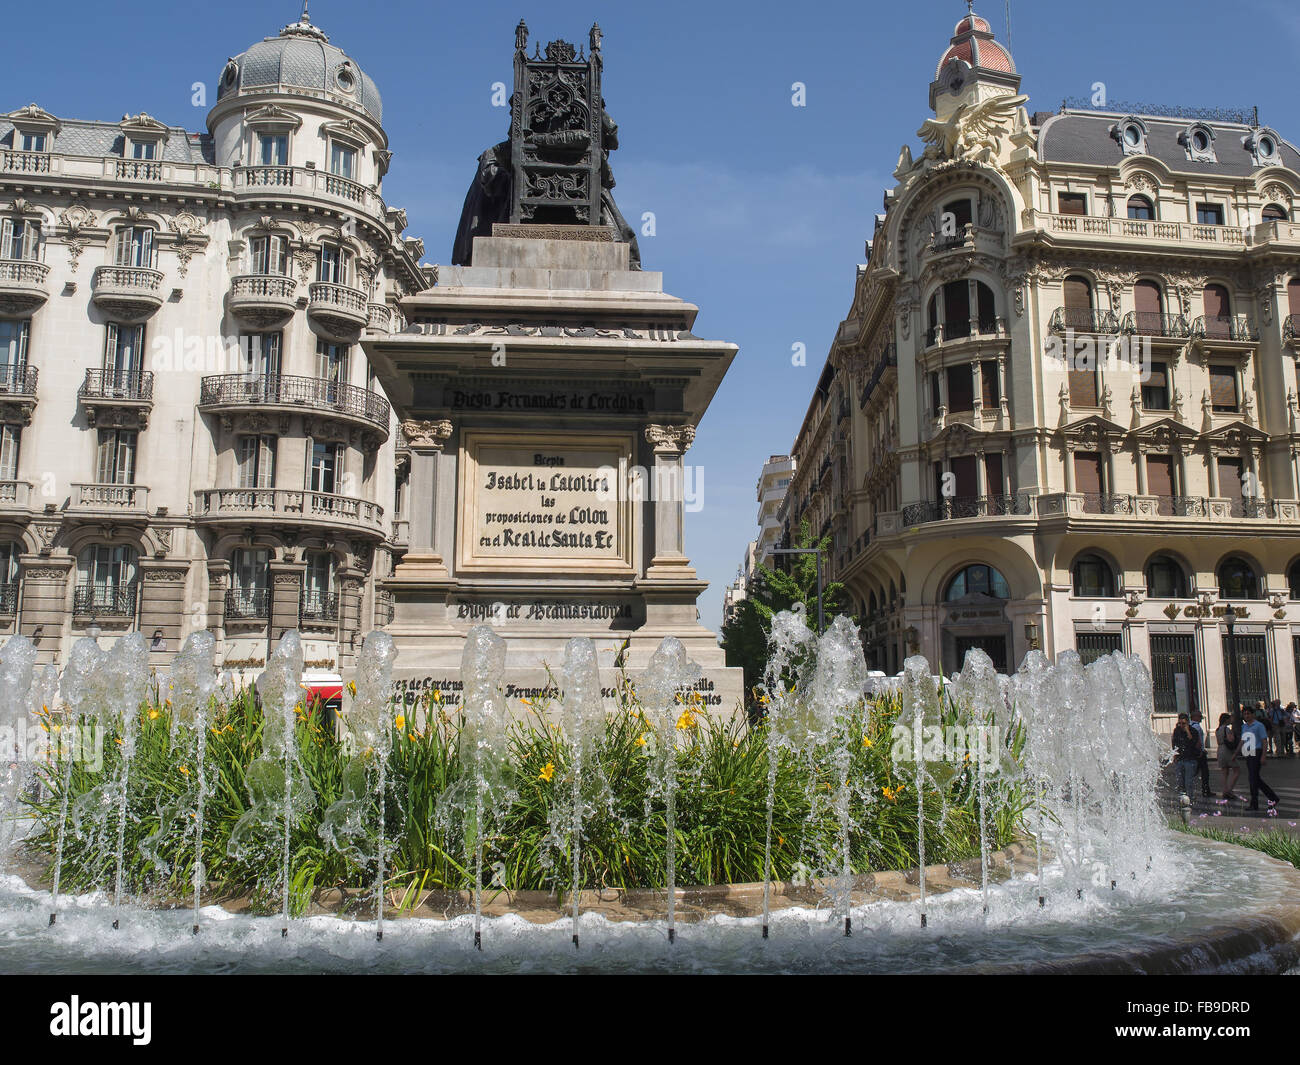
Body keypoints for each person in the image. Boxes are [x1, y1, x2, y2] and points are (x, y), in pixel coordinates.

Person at [1240, 705, 1279, 814]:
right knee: (1254, 779)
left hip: (1256, 752)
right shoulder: (1244, 727)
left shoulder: (1259, 726)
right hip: (1248, 753)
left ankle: (1255, 803)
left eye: (1248, 713)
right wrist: (1236, 753)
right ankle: (1272, 797)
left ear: (1253, 714)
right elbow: (1242, 741)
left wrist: (1263, 755)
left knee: (1253, 779)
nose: (1247, 716)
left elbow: (1264, 741)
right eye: (1245, 714)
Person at [1171, 713, 1201, 801]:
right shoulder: (1177, 731)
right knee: (1180, 781)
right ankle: (1182, 798)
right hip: (1180, 759)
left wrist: (1187, 731)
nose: (1181, 725)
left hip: (1190, 759)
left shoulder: (1193, 731)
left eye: (1183, 723)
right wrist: (1174, 754)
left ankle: (1190, 798)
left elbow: (1193, 743)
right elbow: (1174, 743)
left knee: (1189, 781)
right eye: (1180, 723)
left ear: (1187, 723)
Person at [1214, 712, 1243, 802]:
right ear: (1226, 720)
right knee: (1236, 770)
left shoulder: (1218, 729)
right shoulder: (1226, 729)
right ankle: (1229, 790)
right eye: (1230, 719)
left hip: (1220, 749)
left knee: (1224, 771)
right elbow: (1231, 740)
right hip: (1227, 750)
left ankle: (1224, 790)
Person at [1189, 709, 1212, 798]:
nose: (1201, 718)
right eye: (1199, 716)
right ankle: (1206, 790)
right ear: (1195, 717)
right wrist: (1201, 750)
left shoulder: (1190, 725)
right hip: (1199, 753)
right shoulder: (1197, 727)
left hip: (1194, 752)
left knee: (1195, 771)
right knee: (1204, 772)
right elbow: (1198, 740)